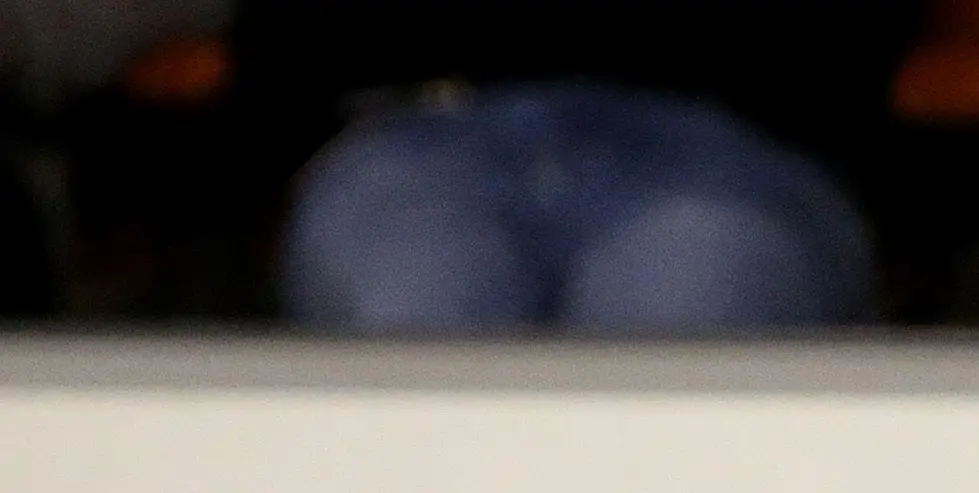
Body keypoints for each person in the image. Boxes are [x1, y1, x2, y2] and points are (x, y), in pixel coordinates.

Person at [230, 0, 918, 332]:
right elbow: (285, 46)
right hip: (419, 133)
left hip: (725, 145)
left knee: (689, 312)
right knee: (423, 313)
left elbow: (850, 48)